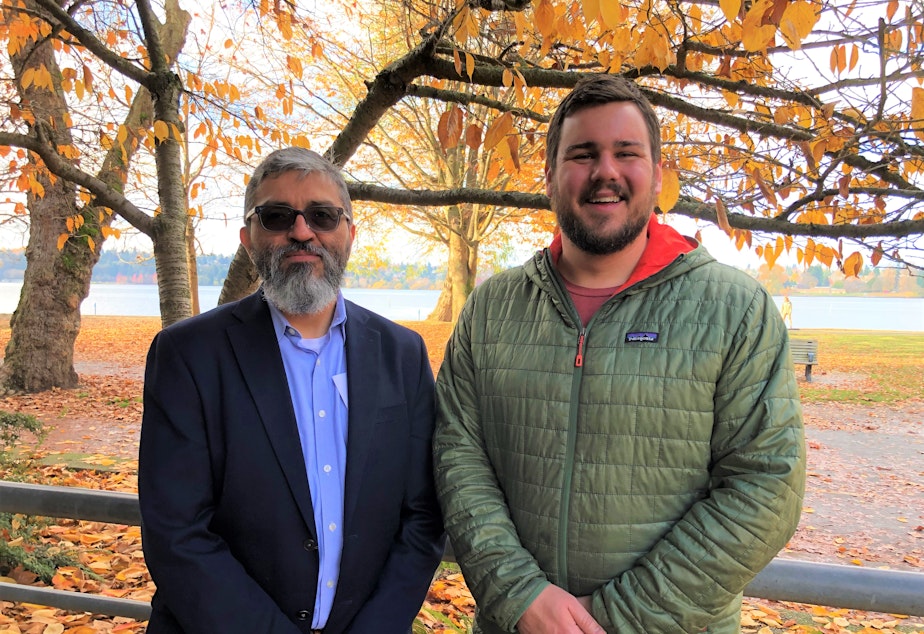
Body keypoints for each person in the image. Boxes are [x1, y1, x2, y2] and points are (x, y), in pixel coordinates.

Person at [432, 75, 805, 634]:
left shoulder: (733, 308)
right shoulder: (493, 308)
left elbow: (766, 484)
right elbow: (458, 456)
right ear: (551, 176)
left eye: (625, 153)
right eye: (582, 154)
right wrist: (520, 594)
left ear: (657, 175)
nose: (604, 170)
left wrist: (611, 623)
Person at [139, 147, 445, 634]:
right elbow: (177, 533)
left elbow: (423, 516)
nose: (302, 231)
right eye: (277, 216)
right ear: (248, 238)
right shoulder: (188, 355)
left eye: (323, 215)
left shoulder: (402, 354)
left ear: (349, 234)